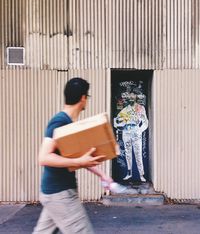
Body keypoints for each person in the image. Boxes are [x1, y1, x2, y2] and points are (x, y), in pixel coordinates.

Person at [33, 77, 113, 234]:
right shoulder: (60, 122)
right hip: (60, 193)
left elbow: (79, 157)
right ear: (83, 98)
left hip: (54, 193)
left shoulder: (69, 124)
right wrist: (79, 161)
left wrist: (102, 175)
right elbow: (44, 157)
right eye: (87, 97)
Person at [114, 91, 148, 182]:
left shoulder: (140, 108)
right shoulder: (125, 110)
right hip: (127, 132)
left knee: (138, 153)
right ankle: (129, 173)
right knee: (128, 153)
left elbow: (145, 122)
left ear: (136, 98)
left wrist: (140, 130)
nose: (131, 98)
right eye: (129, 97)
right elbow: (116, 121)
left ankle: (141, 174)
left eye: (133, 96)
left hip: (136, 131)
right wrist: (121, 125)